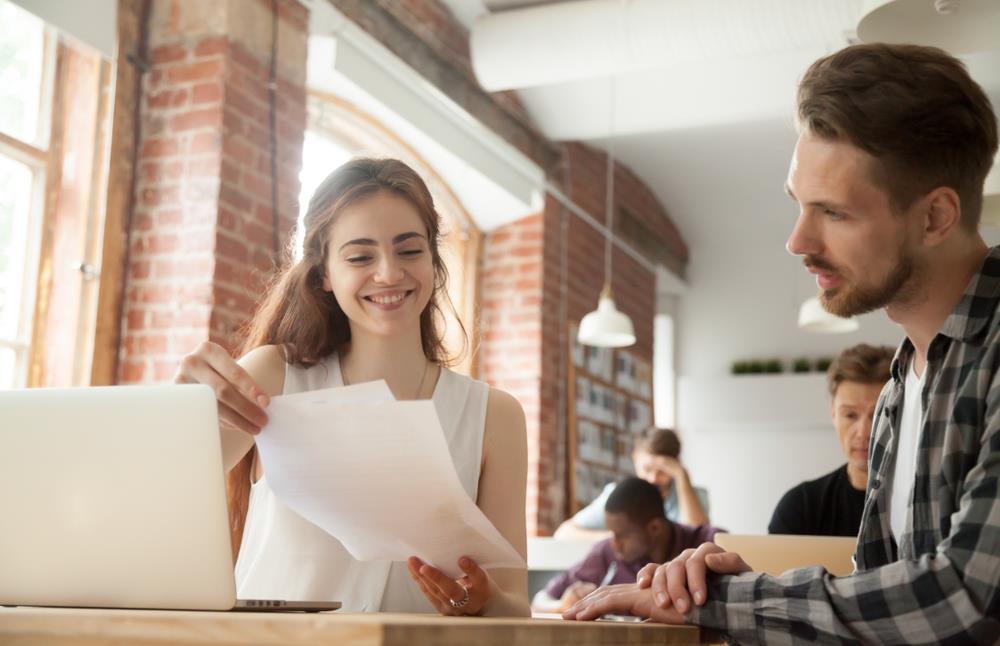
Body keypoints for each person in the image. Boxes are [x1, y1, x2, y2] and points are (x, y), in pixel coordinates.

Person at [563, 43, 1000, 643]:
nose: (797, 241)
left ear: (934, 217)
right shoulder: (906, 378)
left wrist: (733, 602)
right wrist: (743, 585)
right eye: (798, 205)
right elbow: (889, 600)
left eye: (834, 213)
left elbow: (965, 598)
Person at [174, 158, 529, 617]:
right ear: (324, 274)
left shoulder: (493, 415)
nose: (388, 274)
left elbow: (514, 607)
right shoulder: (273, 378)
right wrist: (181, 410)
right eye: (361, 256)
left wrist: (480, 600)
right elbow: (163, 497)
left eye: (409, 251)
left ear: (435, 261)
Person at [533, 477, 720, 613]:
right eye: (611, 533)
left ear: (654, 528)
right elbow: (540, 599)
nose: (614, 544)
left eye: (622, 536)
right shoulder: (605, 553)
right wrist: (562, 605)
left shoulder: (707, 541)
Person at [769, 343, 894, 537]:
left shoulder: (922, 503)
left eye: (879, 416)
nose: (863, 432)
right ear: (834, 415)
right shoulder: (801, 506)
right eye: (850, 415)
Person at [555, 427, 709, 540]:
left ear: (676, 465)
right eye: (647, 469)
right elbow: (564, 533)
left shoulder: (693, 495)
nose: (653, 478)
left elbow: (697, 537)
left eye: (663, 471)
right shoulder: (619, 494)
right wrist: (616, 537)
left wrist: (682, 476)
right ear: (635, 459)